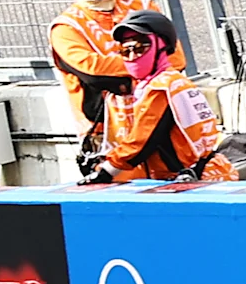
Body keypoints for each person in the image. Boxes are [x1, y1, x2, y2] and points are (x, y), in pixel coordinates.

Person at [50, 0, 173, 157]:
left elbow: (176, 59)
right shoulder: (66, 28)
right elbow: (95, 73)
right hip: (107, 143)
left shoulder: (143, 6)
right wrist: (149, 63)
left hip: (160, 127)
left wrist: (126, 72)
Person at [95, 10, 235, 181]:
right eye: (125, 51)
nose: (132, 56)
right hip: (202, 174)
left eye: (140, 48)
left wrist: (107, 171)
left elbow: (142, 139)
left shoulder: (162, 88)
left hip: (192, 181)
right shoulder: (172, 82)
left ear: (162, 47)